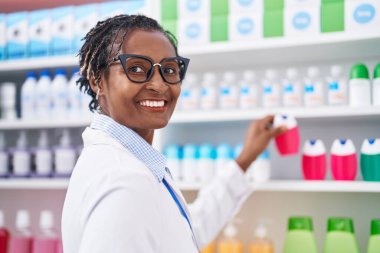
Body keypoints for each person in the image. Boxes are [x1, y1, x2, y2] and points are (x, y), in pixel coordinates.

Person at [61, 14, 286, 253]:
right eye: (137, 68)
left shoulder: (134, 163)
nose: (159, 85)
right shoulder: (124, 180)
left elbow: (184, 233)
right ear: (97, 80)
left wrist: (246, 158)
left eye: (169, 69)